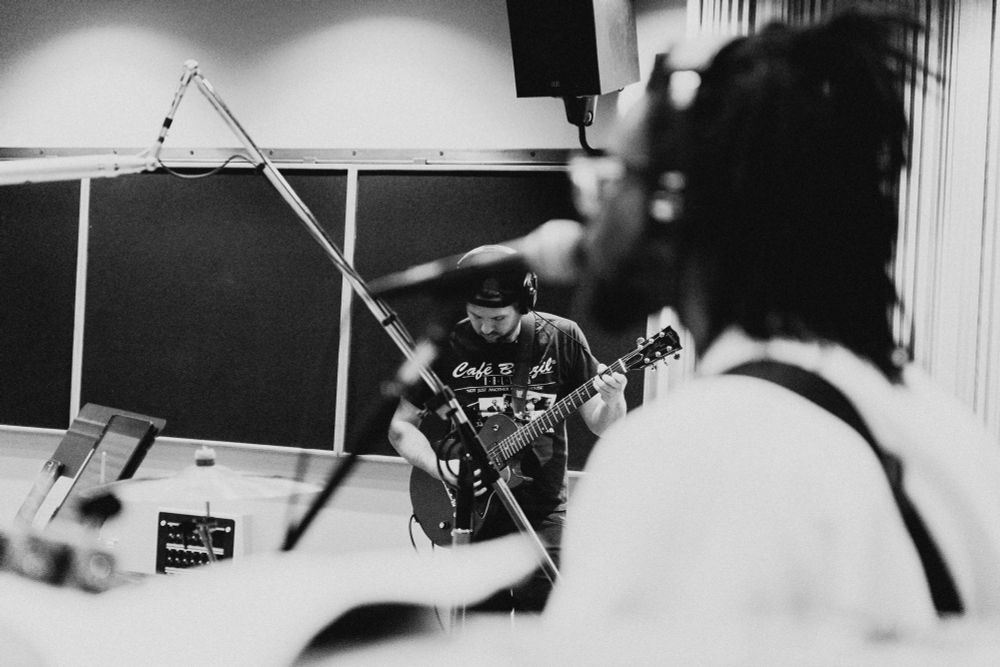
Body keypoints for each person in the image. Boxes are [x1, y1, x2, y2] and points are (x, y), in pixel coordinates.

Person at [544, 6, 1000, 648]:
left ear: (671, 206)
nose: (593, 207)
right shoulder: (954, 439)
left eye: (614, 177)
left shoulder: (687, 456)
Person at [388, 243, 627, 612]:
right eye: (475, 315)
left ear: (524, 303)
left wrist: (613, 399)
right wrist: (441, 469)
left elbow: (601, 424)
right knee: (480, 634)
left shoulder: (560, 337)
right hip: (470, 513)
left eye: (498, 318)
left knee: (545, 625)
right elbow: (401, 427)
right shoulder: (444, 345)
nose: (485, 327)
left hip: (543, 512)